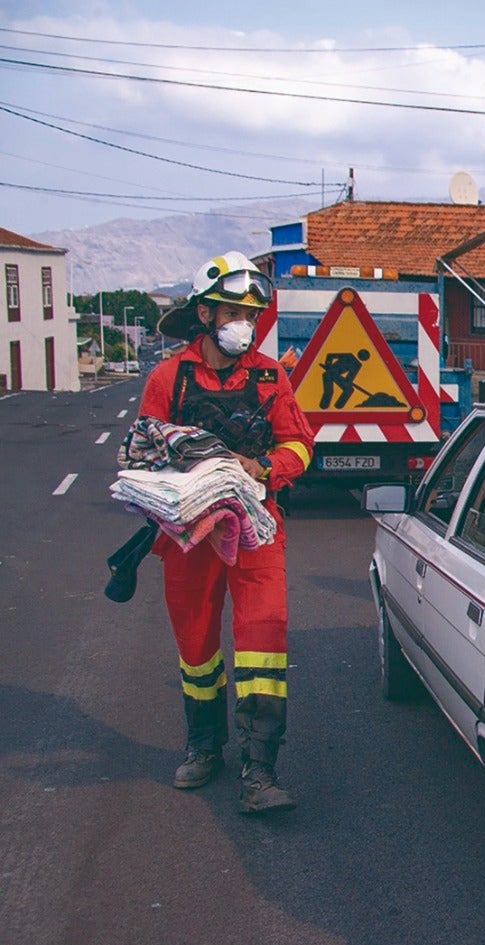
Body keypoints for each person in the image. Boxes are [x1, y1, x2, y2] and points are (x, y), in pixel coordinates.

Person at [143, 252, 314, 814]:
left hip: (256, 529)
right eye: (234, 310)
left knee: (264, 639)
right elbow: (145, 453)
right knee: (197, 647)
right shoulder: (168, 378)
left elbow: (299, 444)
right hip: (188, 534)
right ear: (206, 313)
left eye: (252, 311)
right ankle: (204, 745)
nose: (245, 321)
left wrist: (261, 468)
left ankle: (260, 770)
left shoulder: (271, 376)